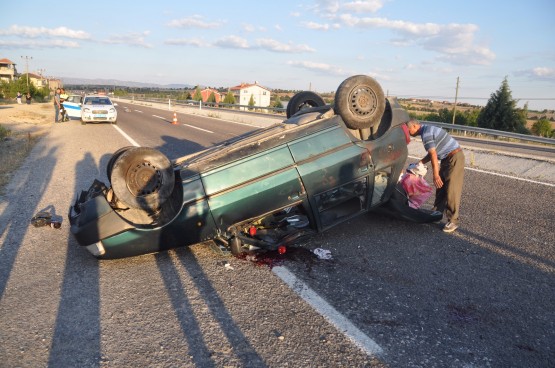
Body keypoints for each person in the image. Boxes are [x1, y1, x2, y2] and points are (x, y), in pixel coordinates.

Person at [405, 118, 464, 233]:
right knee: (441, 187)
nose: (408, 133)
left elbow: (433, 155)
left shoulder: (426, 134)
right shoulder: (426, 129)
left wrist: (435, 174)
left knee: (452, 190)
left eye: (408, 130)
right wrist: (420, 162)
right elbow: (433, 153)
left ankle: (453, 221)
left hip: (454, 158)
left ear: (415, 126)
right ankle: (437, 212)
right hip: (448, 158)